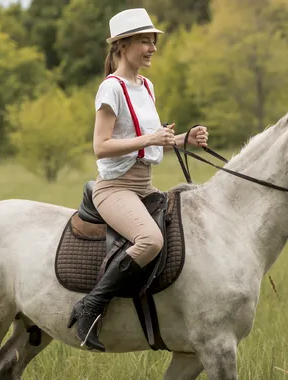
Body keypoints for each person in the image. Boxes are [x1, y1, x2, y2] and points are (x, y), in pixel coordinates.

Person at [67, 8, 209, 351]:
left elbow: (150, 140)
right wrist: (150, 139)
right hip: (115, 189)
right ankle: (90, 307)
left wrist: (182, 140)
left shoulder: (147, 86)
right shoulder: (110, 89)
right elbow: (101, 147)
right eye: (145, 41)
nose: (152, 48)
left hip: (146, 186)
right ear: (123, 45)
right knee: (151, 240)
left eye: (153, 41)